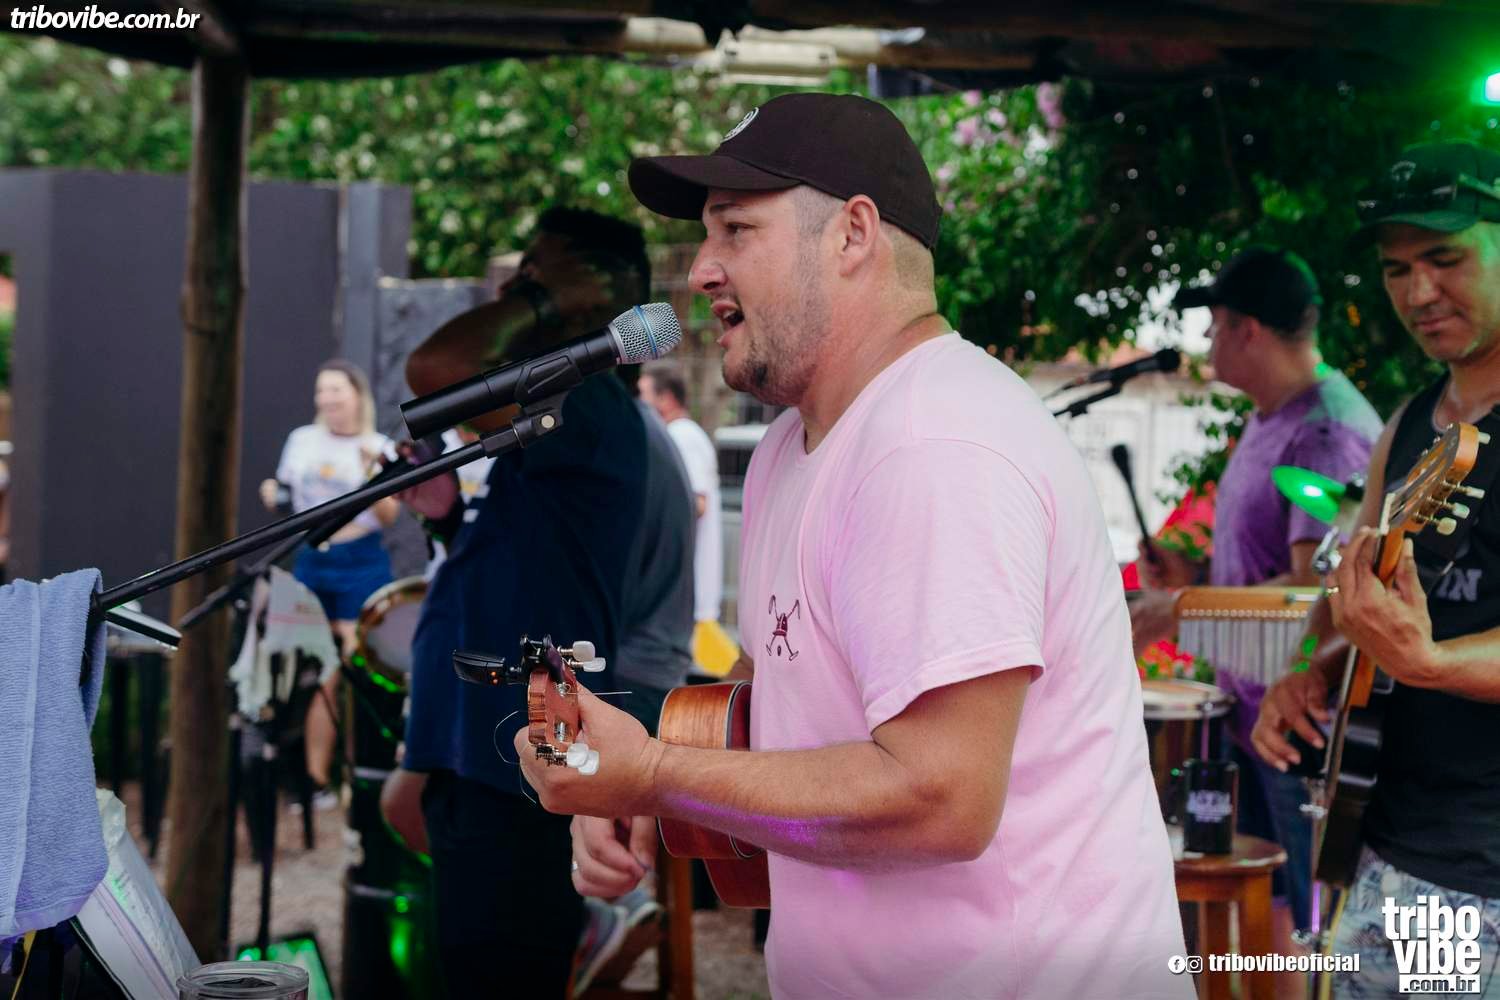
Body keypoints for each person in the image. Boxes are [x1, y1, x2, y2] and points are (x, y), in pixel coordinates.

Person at [519, 92, 1190, 998]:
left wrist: (655, 775)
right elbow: (774, 702)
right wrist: (650, 785)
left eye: (736, 229)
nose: (704, 269)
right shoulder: (792, 449)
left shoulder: (935, 443)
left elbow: (941, 799)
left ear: (853, 234)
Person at [397, 207, 677, 996]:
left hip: (519, 767)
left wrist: (544, 305)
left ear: (597, 291)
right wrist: (447, 519)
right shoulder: (562, 417)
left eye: (536, 271)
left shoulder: (590, 409)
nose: (515, 288)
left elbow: (438, 367)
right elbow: (522, 561)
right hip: (483, 760)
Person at [1253, 140, 1500, 998]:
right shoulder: (1409, 425)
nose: (1419, 292)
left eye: (1445, 257)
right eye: (1397, 269)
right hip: (1382, 845)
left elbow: (1417, 651)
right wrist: (1306, 669)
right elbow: (1348, 590)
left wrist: (1429, 662)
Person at [1129, 247, 1382, 955]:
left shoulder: (1326, 432)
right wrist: (1195, 571)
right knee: (1261, 916)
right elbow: (1269, 572)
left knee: (1306, 927)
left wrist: (1179, 608)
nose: (1208, 342)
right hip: (1254, 715)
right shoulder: (1274, 418)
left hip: (1300, 721)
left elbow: (1315, 591)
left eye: (1214, 327)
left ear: (1248, 330)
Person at [260, 358, 398, 789]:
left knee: (360, 670)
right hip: (313, 556)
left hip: (361, 560)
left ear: (357, 395)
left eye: (336, 389)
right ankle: (314, 777)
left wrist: (375, 472)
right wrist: (272, 494)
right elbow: (285, 497)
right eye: (321, 390)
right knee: (318, 671)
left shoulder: (378, 445)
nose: (327, 398)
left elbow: (390, 516)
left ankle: (361, 775)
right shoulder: (302, 440)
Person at [638, 360, 734, 673]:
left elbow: (697, 503)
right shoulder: (680, 435)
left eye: (644, 395)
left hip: (685, 601)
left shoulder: (681, 436)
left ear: (665, 398)